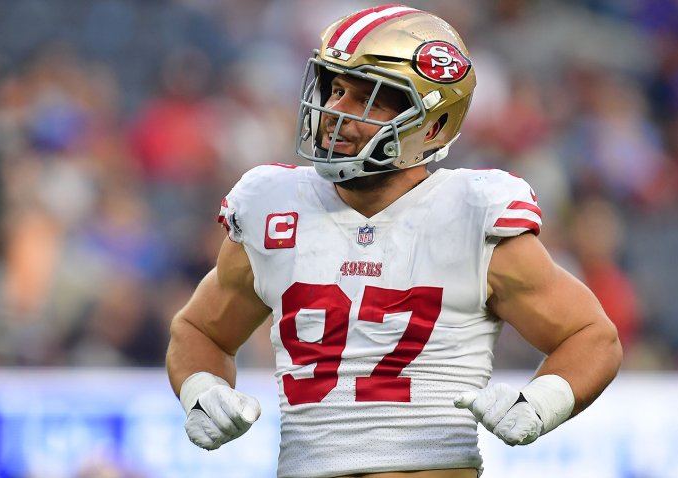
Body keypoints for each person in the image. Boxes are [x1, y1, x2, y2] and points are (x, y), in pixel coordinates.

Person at [166, 5, 622, 478]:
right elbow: (198, 331)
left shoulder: (473, 213)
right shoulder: (273, 204)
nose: (335, 113)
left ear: (431, 125)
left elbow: (592, 337)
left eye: (368, 99)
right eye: (336, 89)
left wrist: (542, 401)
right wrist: (202, 389)